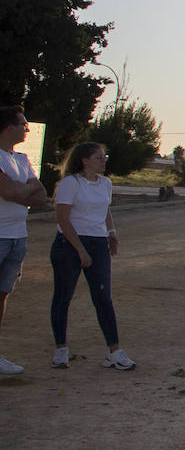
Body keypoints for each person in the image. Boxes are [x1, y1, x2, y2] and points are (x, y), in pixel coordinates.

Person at [51, 142, 134, 370]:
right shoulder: (70, 184)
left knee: (103, 298)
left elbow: (104, 210)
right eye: (98, 157)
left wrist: (111, 233)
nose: (103, 160)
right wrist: (80, 249)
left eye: (104, 156)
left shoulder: (105, 183)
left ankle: (114, 352)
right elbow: (63, 219)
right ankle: (61, 349)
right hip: (69, 243)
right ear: (85, 160)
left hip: (98, 243)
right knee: (63, 296)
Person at [0, 107, 48, 375]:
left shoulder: (21, 158)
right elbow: (7, 190)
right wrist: (21, 191)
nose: (28, 129)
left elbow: (40, 195)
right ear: (9, 127)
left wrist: (20, 192)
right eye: (23, 124)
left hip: (18, 236)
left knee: (2, 295)